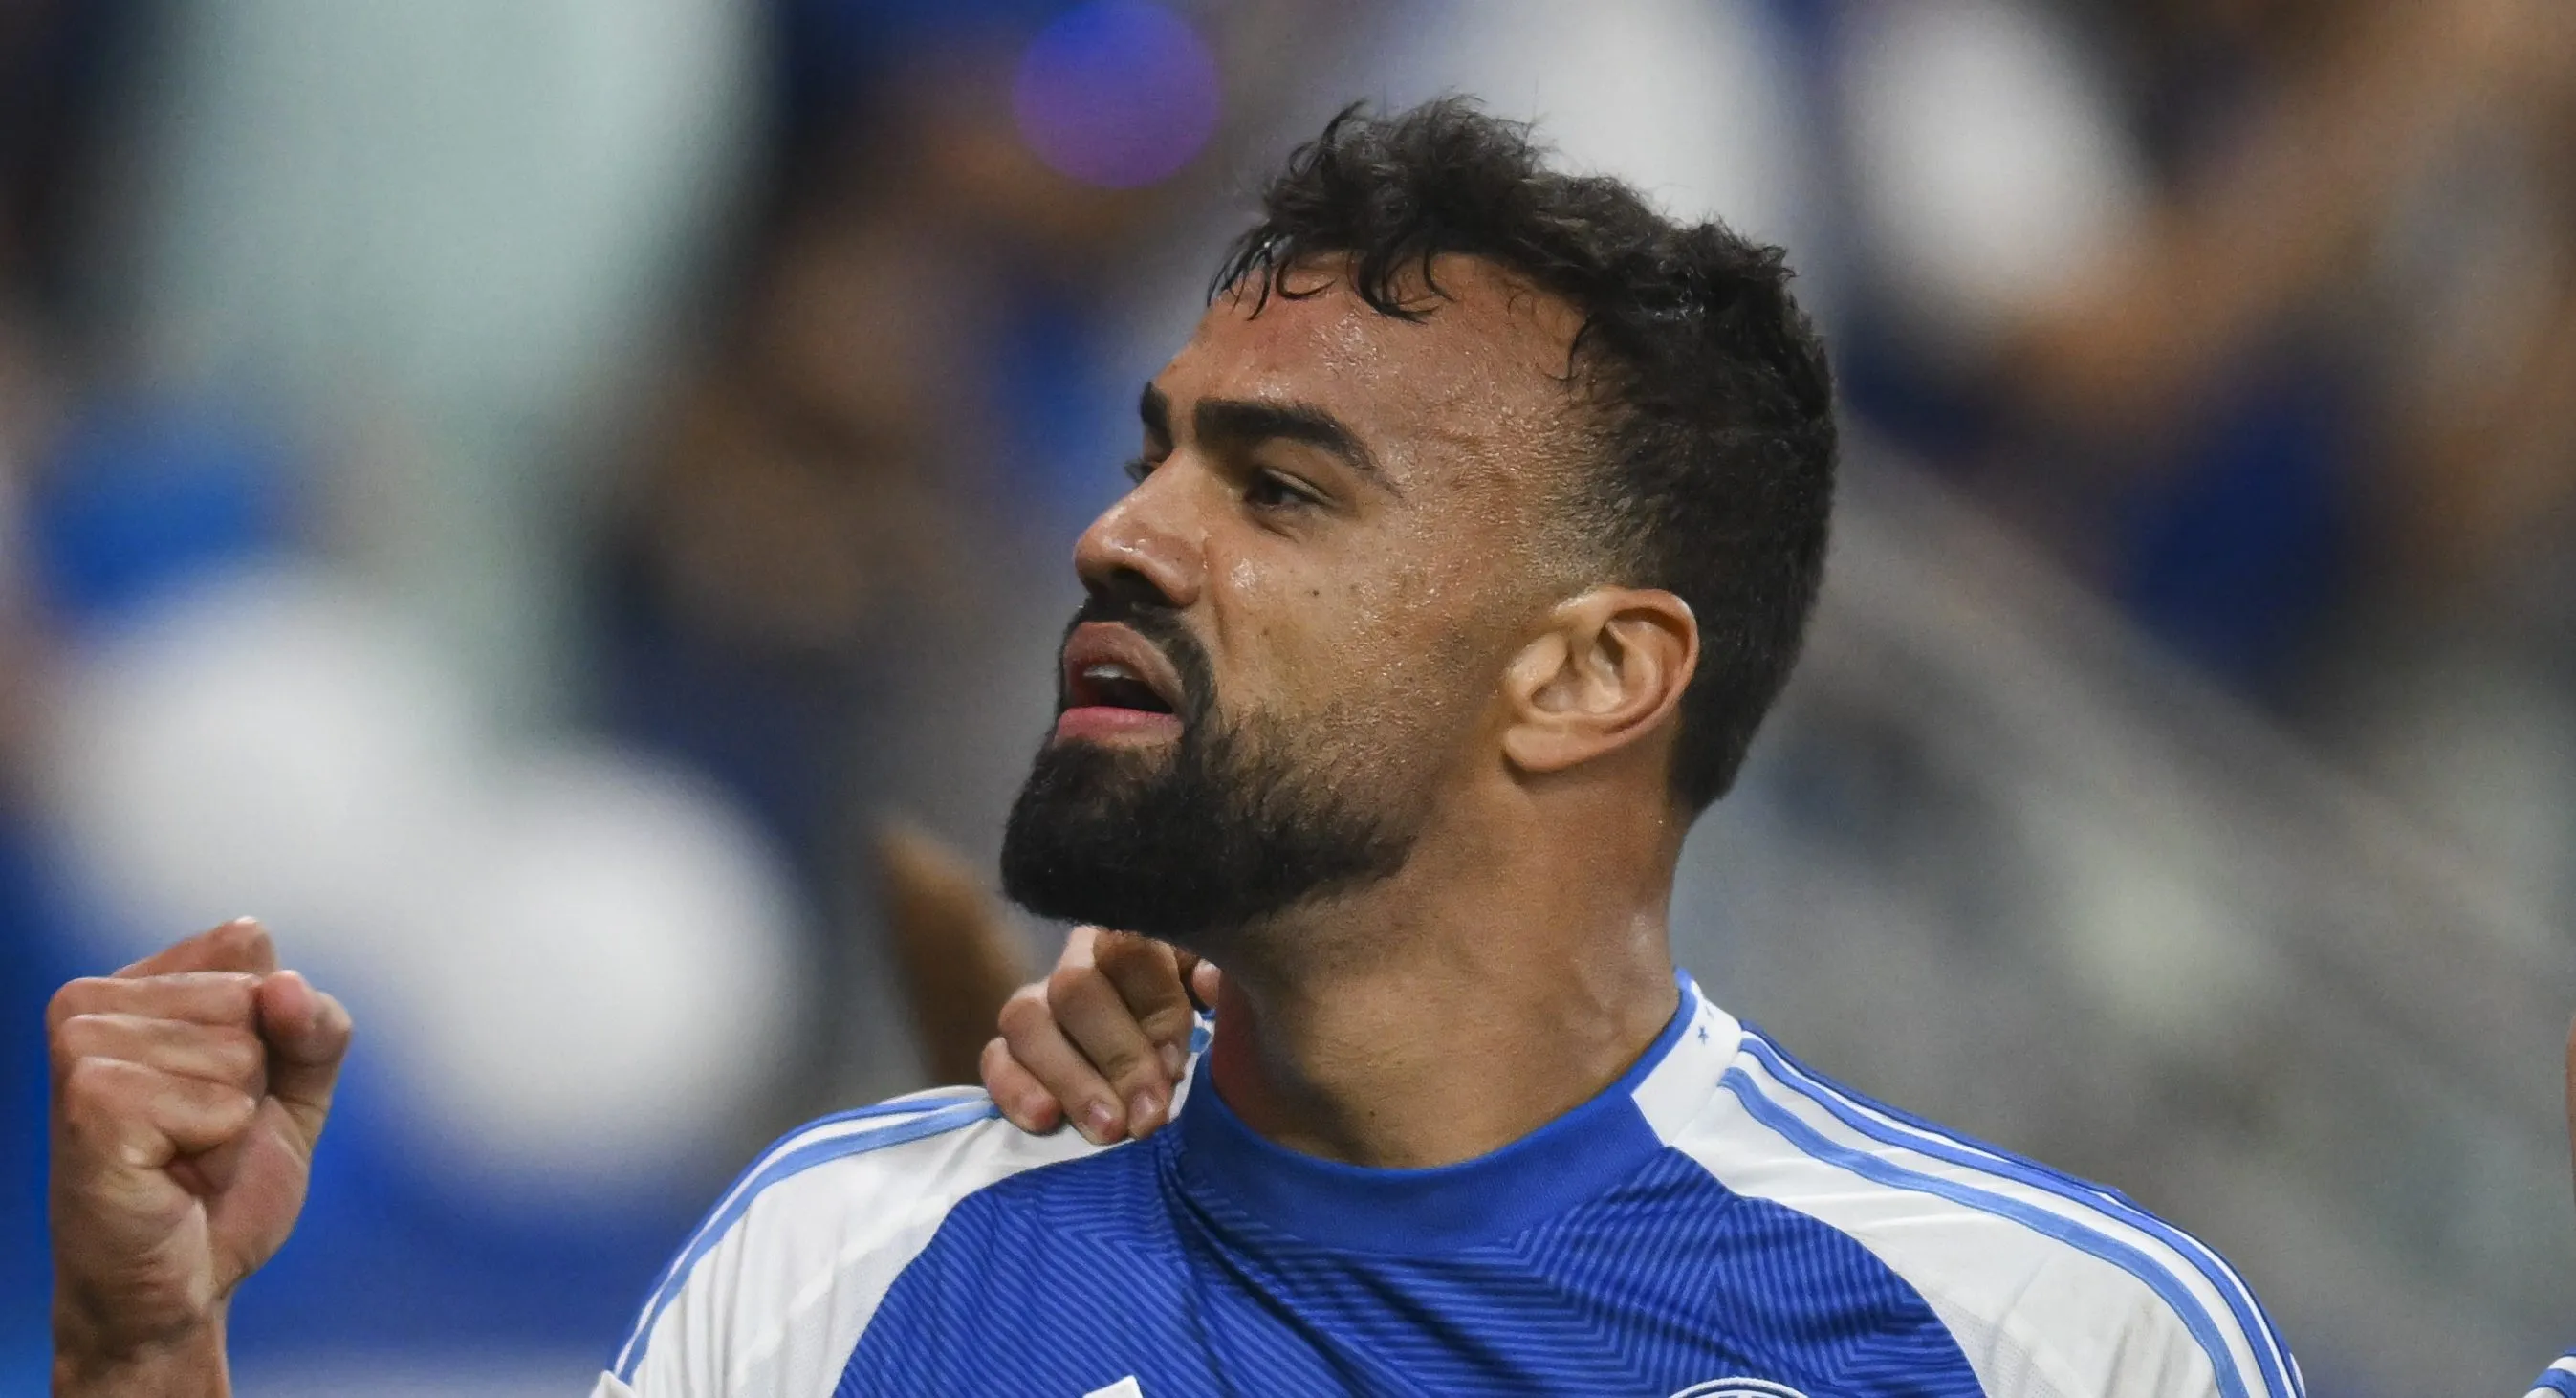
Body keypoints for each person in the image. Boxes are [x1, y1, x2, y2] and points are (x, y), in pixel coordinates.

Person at [30, 99, 2548, 1397]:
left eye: (1281, 488)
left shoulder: (2032, 1337)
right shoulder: (851, 1259)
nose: (1118, 529)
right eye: (1154, 448)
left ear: (1593, 674)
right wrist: (149, 1354)